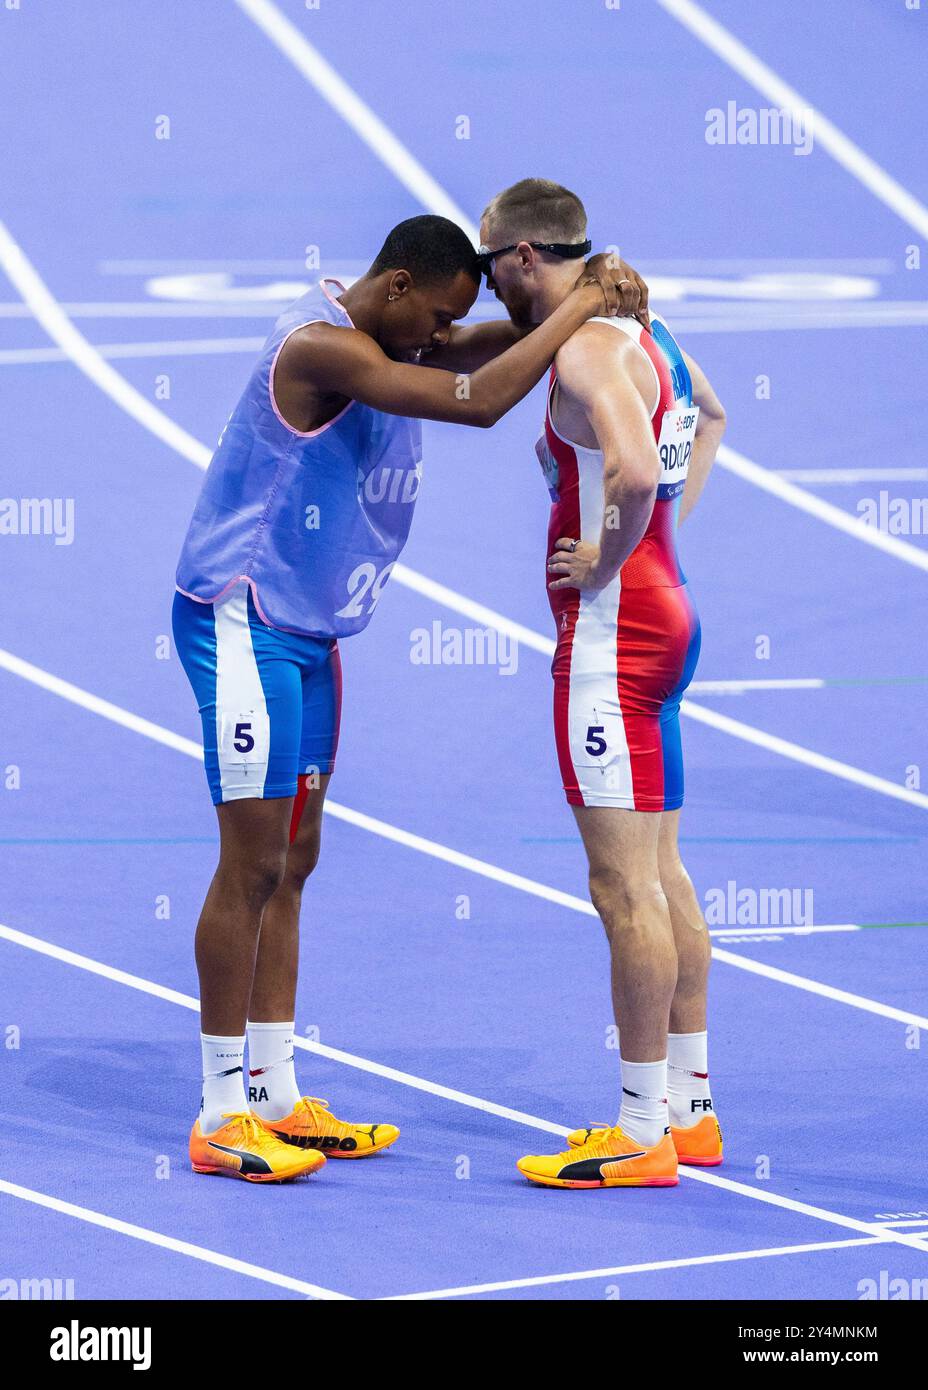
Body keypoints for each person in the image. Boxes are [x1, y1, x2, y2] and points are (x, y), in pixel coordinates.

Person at [172, 212, 649, 1181]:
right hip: (245, 618)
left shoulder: (392, 330)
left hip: (309, 633)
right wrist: (587, 306)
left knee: (294, 860)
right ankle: (221, 1109)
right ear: (392, 289)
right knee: (251, 864)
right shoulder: (320, 350)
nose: (440, 336)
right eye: (433, 318)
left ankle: (275, 1089)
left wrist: (573, 290)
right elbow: (473, 400)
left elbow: (490, 342)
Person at [471, 179, 726, 1189]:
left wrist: (607, 559)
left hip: (612, 643)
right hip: (669, 615)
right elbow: (708, 415)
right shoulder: (644, 326)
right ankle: (690, 1107)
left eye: (490, 261)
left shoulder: (582, 348)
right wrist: (659, 544)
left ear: (526, 255)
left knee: (622, 888)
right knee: (660, 872)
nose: (486, 282)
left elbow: (624, 469)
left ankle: (637, 1127)